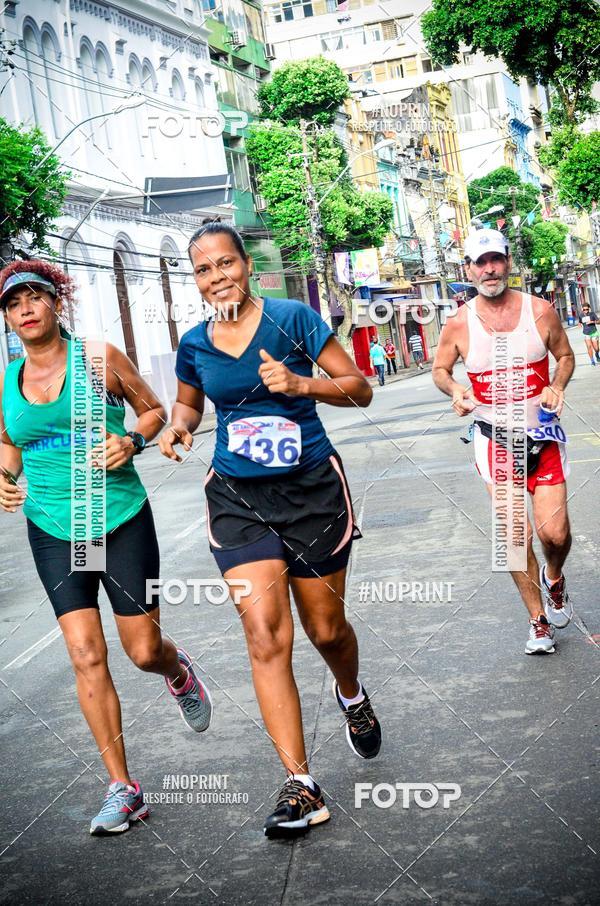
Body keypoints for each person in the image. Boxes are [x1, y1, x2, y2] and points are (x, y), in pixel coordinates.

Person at [159, 220, 382, 839]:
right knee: (263, 633)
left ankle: (351, 693)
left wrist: (302, 383)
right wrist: (178, 429)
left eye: (225, 264)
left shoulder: (295, 319)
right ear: (196, 281)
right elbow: (188, 405)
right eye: (203, 270)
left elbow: (359, 389)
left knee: (326, 629)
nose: (216, 277)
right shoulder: (194, 344)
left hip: (311, 489)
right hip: (236, 496)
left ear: (246, 266)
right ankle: (299, 785)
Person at [0, 261, 212, 836]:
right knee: (85, 654)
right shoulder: (6, 380)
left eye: (34, 297)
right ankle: (124, 787)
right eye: (13, 302)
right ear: (8, 318)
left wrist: (133, 439)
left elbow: (154, 409)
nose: (25, 308)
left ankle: (178, 670)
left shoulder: (99, 357)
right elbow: (8, 442)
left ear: (54, 303)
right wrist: (5, 473)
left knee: (141, 650)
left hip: (116, 519)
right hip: (53, 527)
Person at [432, 229, 576, 655]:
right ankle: (538, 622)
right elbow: (440, 370)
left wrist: (557, 385)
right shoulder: (459, 322)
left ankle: (554, 577)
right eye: (480, 262)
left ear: (508, 262)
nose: (489, 269)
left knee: (555, 534)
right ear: (469, 269)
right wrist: (456, 391)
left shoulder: (541, 311)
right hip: (495, 441)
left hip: (543, 435)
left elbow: (565, 356)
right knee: (516, 537)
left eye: (495, 259)